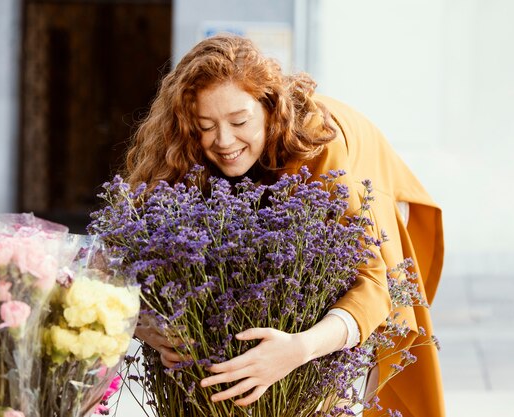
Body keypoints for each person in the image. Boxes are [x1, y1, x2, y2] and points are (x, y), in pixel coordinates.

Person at [128, 33, 445, 417]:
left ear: (269, 107)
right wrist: (146, 324)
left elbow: (373, 285)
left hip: (357, 186)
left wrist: (300, 348)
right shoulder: (182, 147)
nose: (223, 140)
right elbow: (125, 263)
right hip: (280, 178)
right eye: (205, 124)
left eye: (239, 121)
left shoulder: (321, 149)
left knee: (348, 331)